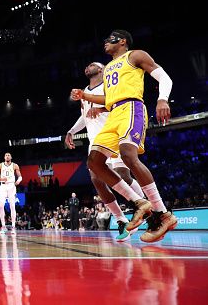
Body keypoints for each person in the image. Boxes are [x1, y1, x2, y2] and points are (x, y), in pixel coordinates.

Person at [71, 29, 177, 243]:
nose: (104, 43)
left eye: (108, 40)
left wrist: (162, 99)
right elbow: (108, 98)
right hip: (114, 114)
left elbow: (163, 76)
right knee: (95, 163)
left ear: (122, 41)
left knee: (128, 155)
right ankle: (139, 202)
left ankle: (162, 213)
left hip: (131, 107)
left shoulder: (135, 55)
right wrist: (85, 96)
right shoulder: (109, 67)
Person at [66, 62, 145, 241]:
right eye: (86, 66)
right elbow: (84, 116)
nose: (88, 66)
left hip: (113, 135)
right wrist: (71, 130)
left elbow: (119, 105)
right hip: (95, 141)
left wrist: (100, 108)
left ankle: (145, 207)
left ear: (101, 69)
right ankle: (121, 220)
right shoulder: (83, 92)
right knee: (97, 180)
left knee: (123, 175)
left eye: (92, 65)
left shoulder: (109, 85)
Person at [0, 152, 22, 235]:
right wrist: (1, 179)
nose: (7, 156)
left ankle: (13, 226)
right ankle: (3, 226)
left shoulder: (15, 165)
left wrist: (18, 181)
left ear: (11, 157)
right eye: (6, 155)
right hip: (3, 186)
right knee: (1, 205)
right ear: (4, 157)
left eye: (8, 155)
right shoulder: (0, 165)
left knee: (12, 206)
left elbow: (20, 176)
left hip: (11, 186)